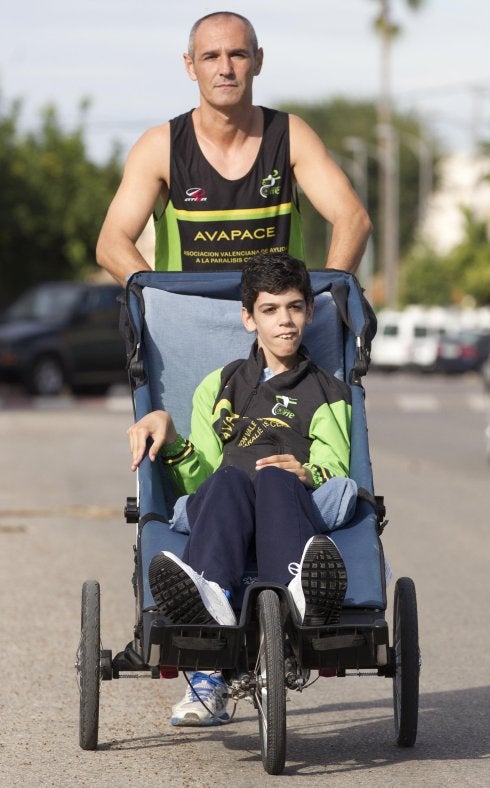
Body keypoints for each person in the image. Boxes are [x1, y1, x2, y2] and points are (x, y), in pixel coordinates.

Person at [127, 252, 353, 727]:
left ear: (310, 311)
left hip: (290, 503)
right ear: (248, 317)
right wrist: (171, 439)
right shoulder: (221, 383)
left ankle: (298, 593)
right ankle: (208, 651)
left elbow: (335, 462)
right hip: (226, 503)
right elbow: (202, 475)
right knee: (229, 477)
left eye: (294, 307)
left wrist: (308, 472)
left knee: (274, 475)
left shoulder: (328, 391)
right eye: (270, 310)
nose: (285, 322)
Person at [96, 11, 372, 285]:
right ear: (190, 66)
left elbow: (353, 218)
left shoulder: (291, 135)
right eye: (211, 56)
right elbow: (111, 244)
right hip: (189, 323)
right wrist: (159, 300)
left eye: (238, 54)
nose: (225, 69)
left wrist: (327, 293)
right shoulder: (159, 146)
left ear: (258, 61)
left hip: (275, 324)